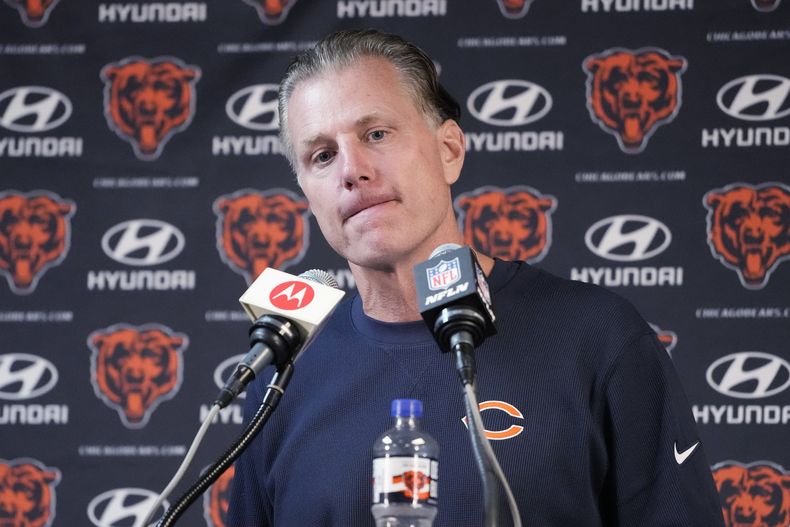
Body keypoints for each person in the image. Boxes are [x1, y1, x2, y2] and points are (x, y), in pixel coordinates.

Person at [227, 28, 725, 527]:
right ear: (306, 191)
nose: (352, 171)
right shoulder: (281, 372)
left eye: (376, 134)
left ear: (449, 150)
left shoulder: (598, 335)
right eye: (322, 155)